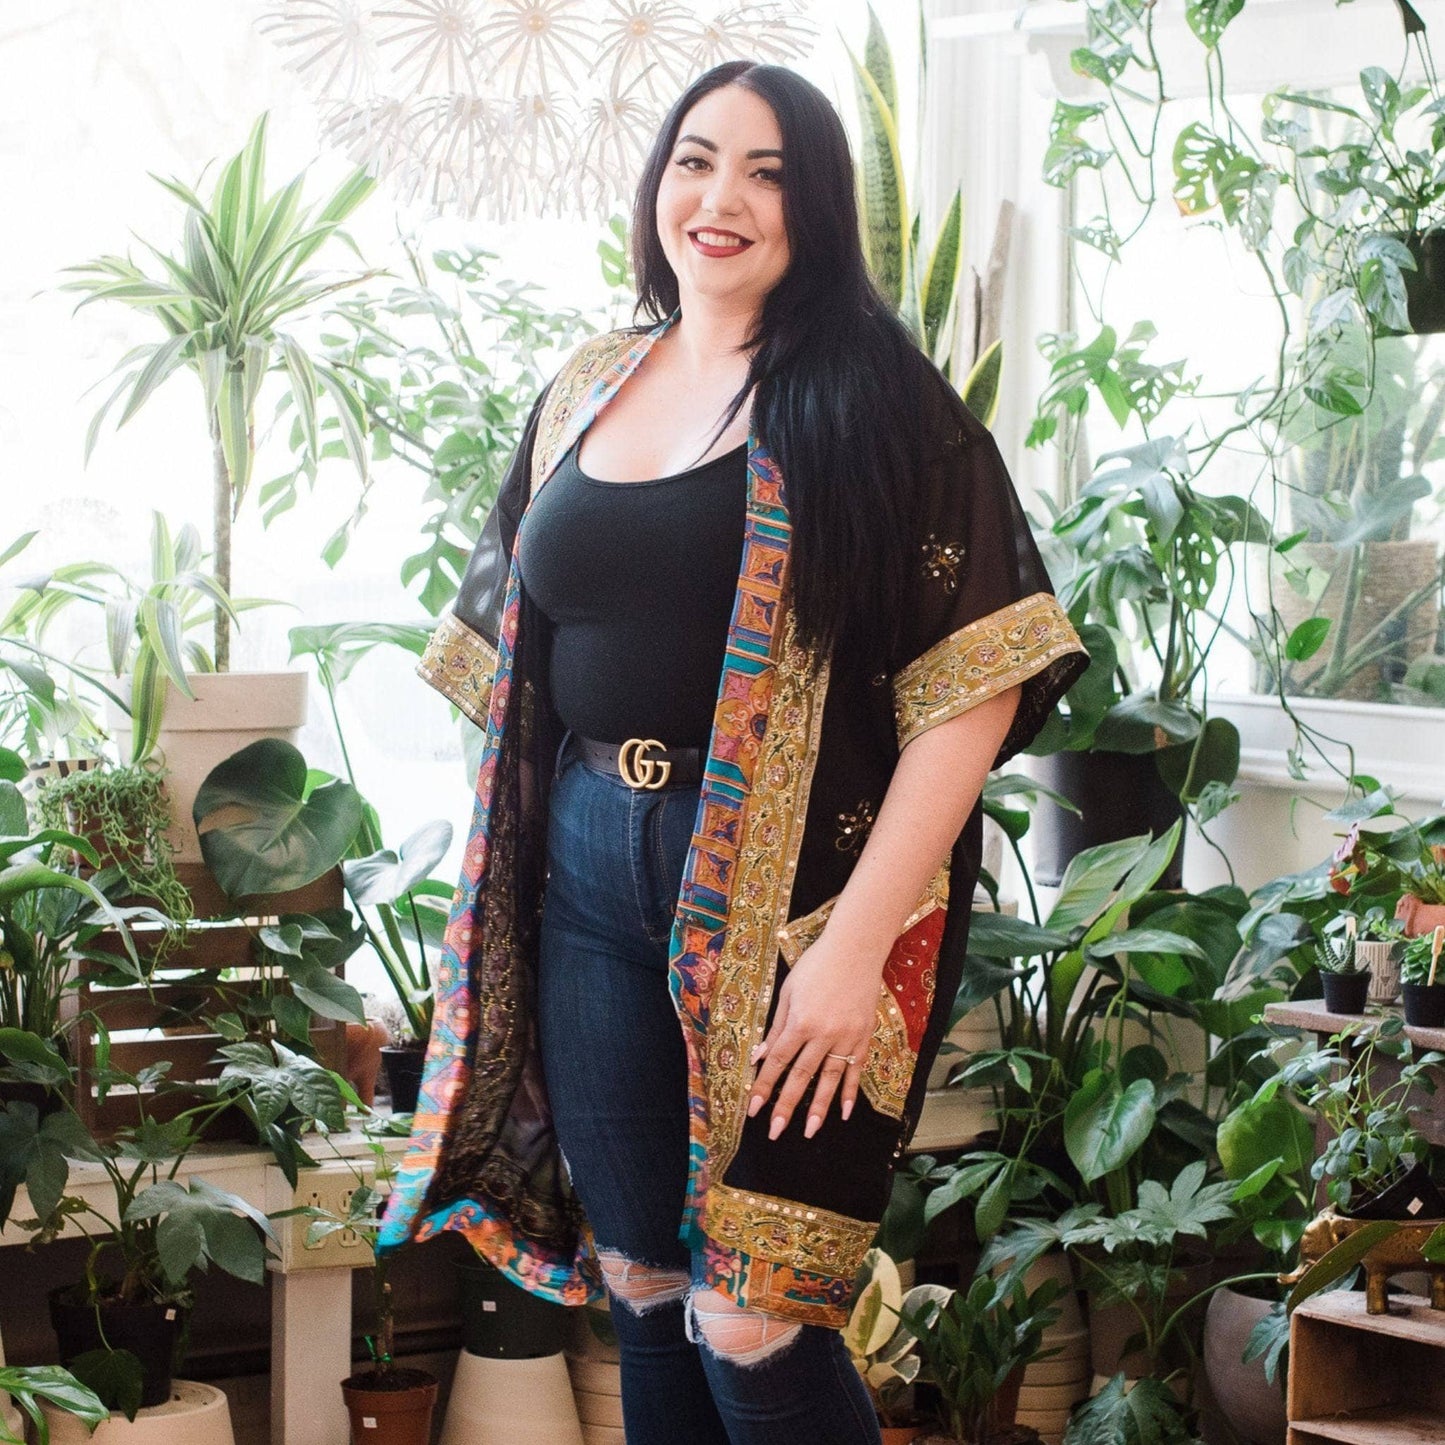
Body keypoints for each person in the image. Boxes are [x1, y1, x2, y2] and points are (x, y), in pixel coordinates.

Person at [379, 60, 1088, 1445]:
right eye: (695, 160)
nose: (720, 198)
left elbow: (972, 696)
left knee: (755, 1311)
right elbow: (514, 652)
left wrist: (848, 952)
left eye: (766, 172)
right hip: (586, 871)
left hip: (800, 912)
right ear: (656, 186)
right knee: (644, 1284)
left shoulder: (880, 405)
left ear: (814, 210)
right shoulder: (588, 384)